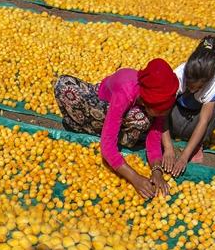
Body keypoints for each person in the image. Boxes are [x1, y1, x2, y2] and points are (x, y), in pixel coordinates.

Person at [53, 59, 180, 200]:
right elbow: (107, 148)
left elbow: (154, 137)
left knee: (141, 118)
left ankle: (106, 129)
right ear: (148, 103)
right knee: (64, 85)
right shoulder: (125, 92)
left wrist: (157, 171)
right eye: (162, 111)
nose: (165, 114)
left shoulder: (158, 101)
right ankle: (94, 126)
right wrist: (135, 178)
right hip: (100, 104)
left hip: (124, 114)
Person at [169, 36, 215, 174]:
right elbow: (162, 111)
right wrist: (167, 147)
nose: (191, 90)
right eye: (189, 85)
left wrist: (184, 157)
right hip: (174, 119)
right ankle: (165, 137)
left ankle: (196, 145)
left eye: (197, 87)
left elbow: (204, 121)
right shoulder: (179, 74)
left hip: (194, 124)